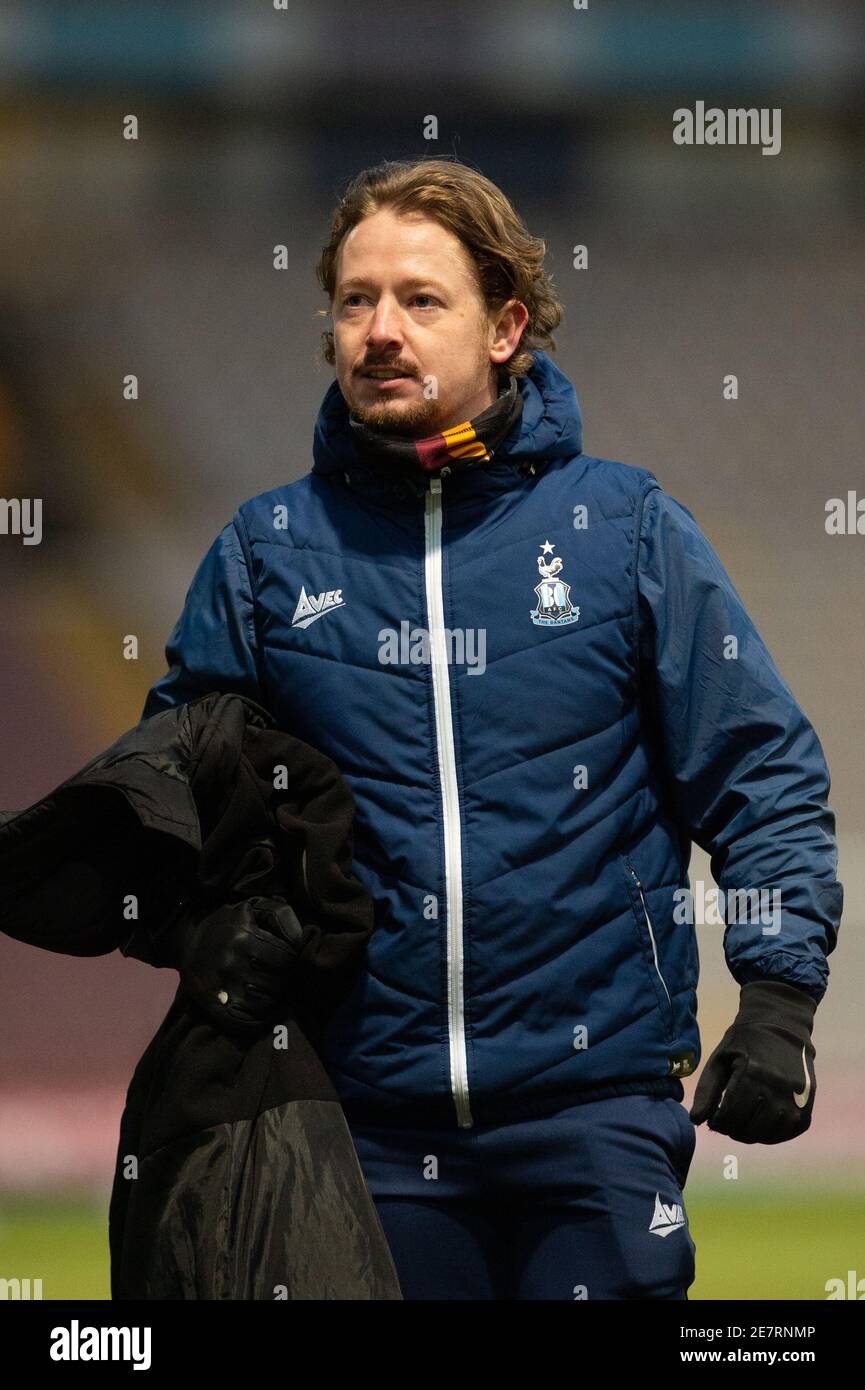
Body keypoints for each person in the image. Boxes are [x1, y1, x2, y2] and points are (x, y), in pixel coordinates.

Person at [140, 157, 842, 1300]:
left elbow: (759, 769)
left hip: (597, 1112)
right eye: (355, 299)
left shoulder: (624, 530)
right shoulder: (266, 555)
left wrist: (777, 997)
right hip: (360, 1125)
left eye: (421, 299)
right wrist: (202, 920)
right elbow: (178, 794)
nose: (379, 329)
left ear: (505, 326)